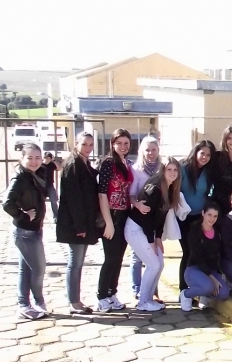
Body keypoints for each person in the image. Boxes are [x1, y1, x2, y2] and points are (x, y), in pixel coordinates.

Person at [124, 157, 181, 312]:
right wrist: (151, 240)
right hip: (136, 229)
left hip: (148, 231)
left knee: (160, 264)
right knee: (153, 264)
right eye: (169, 169)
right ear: (163, 170)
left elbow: (161, 216)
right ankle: (143, 301)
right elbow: (147, 217)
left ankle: (149, 299)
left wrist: (158, 238)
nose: (172, 173)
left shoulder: (170, 189)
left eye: (175, 170)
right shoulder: (154, 189)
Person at [3, 143, 48, 320]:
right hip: (24, 232)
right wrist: (23, 215)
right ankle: (36, 302)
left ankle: (25, 304)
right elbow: (7, 203)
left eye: (37, 158)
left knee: (26, 268)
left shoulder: (35, 175)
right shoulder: (20, 178)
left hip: (34, 230)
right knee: (39, 268)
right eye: (29, 158)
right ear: (21, 159)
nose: (34, 161)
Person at [56, 132, 99, 315]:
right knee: (75, 264)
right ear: (76, 144)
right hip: (75, 225)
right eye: (84, 144)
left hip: (84, 222)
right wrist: (80, 227)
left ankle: (76, 300)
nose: (88, 148)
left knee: (79, 263)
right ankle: (73, 302)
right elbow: (73, 199)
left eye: (91, 145)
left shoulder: (84, 163)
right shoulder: (73, 164)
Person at [97, 129, 134, 312]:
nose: (123, 146)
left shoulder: (126, 163)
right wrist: (108, 223)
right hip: (110, 216)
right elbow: (102, 194)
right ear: (112, 144)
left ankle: (112, 293)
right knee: (110, 258)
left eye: (126, 143)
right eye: (119, 143)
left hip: (124, 215)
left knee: (118, 258)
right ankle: (102, 296)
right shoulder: (108, 163)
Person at [179, 140, 216, 292]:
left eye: (208, 155)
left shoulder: (208, 172)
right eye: (202, 153)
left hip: (199, 218)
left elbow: (209, 193)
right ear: (195, 152)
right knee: (188, 252)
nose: (204, 157)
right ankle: (183, 290)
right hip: (183, 218)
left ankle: (198, 287)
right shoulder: (182, 168)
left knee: (198, 253)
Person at [179, 201, 230, 311]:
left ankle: (204, 295)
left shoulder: (217, 232)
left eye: (215, 216)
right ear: (203, 213)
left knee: (224, 293)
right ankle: (186, 294)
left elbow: (219, 253)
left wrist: (219, 275)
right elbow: (198, 257)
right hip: (194, 269)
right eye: (209, 215)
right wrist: (212, 279)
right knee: (208, 286)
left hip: (211, 270)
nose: (212, 219)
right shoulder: (195, 230)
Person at [129, 136, 162, 302]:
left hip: (154, 217)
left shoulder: (161, 169)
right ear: (142, 151)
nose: (150, 153)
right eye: (147, 150)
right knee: (137, 256)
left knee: (154, 256)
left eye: (153, 149)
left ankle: (152, 290)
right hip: (139, 217)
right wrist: (137, 204)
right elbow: (131, 193)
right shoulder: (136, 170)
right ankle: (137, 288)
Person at [41, 152, 59, 222]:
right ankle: (40, 217)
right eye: (46, 158)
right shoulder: (41, 165)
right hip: (42, 186)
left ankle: (56, 216)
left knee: (54, 201)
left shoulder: (51, 165)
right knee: (40, 202)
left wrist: (54, 161)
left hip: (50, 185)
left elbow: (59, 168)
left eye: (49, 158)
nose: (47, 160)